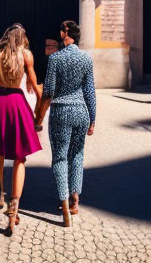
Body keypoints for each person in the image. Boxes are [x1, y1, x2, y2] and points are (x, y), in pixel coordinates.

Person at [0, 24, 42, 235]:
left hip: (0, 105)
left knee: (0, 153)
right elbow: (35, 86)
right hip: (18, 104)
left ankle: (2, 192)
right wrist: (37, 113)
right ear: (23, 38)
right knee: (20, 157)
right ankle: (14, 210)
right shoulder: (27, 55)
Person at [35, 20, 96, 227]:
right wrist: (93, 119)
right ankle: (75, 200)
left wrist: (39, 117)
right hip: (81, 112)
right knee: (77, 155)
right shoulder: (86, 58)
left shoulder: (55, 59)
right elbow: (90, 91)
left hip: (61, 112)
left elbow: (49, 91)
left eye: (61, 29)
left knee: (60, 158)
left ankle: (63, 205)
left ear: (65, 33)